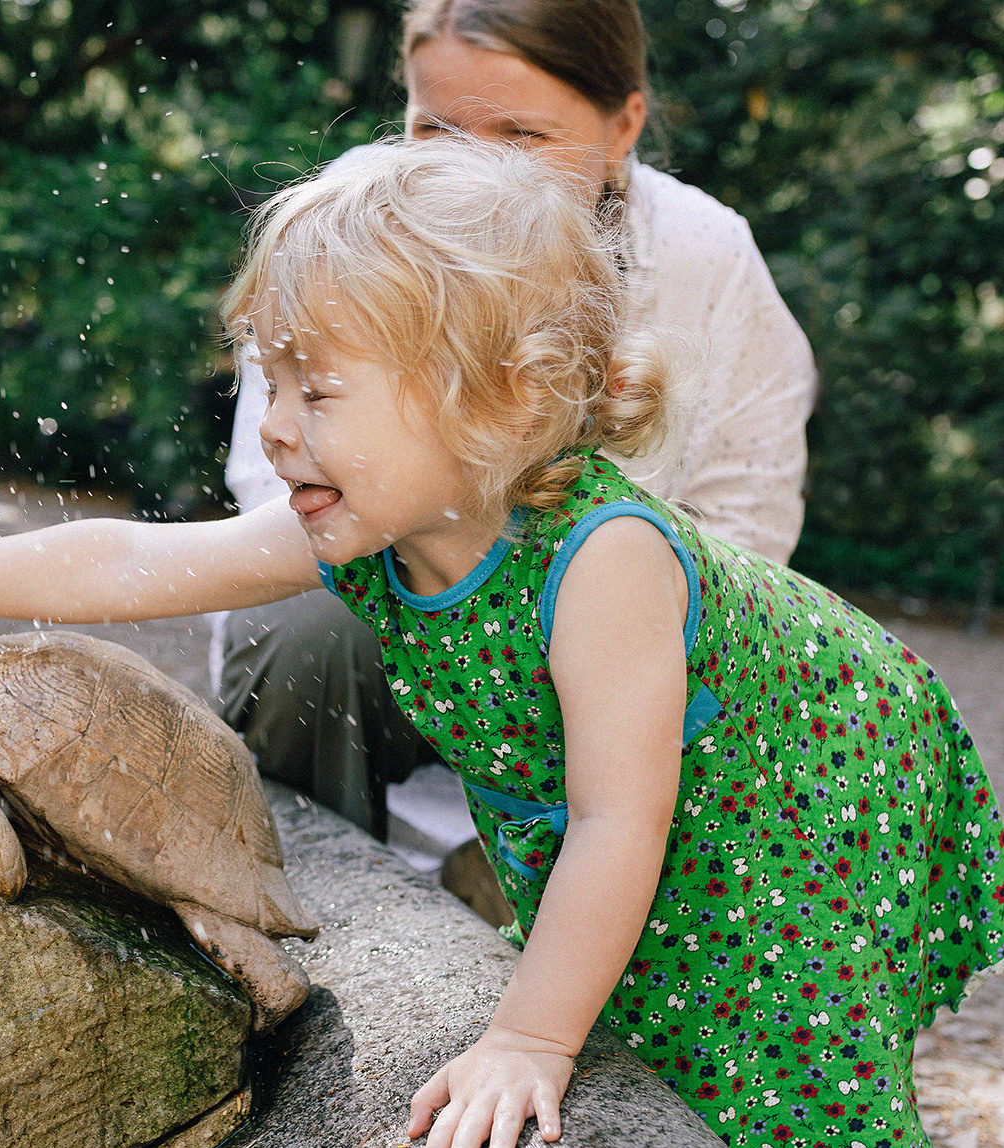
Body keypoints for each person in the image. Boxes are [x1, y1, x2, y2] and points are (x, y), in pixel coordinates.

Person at [0, 140, 1004, 1148]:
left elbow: (620, 824)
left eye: (321, 390)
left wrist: (528, 1040)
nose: (282, 430)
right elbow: (140, 559)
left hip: (798, 785)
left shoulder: (601, 561)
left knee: (749, 1016)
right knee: (644, 980)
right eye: (273, 383)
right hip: (659, 787)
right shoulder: (367, 522)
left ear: (501, 403)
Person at [218, 0, 817, 848]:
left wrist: (599, 616)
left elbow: (745, 530)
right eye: (435, 129)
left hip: (615, 656)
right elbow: (272, 480)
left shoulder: (709, 261)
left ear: (624, 127)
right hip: (401, 621)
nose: (471, 171)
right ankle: (324, 880)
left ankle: (547, 882)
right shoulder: (346, 215)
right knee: (299, 633)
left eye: (521, 137)